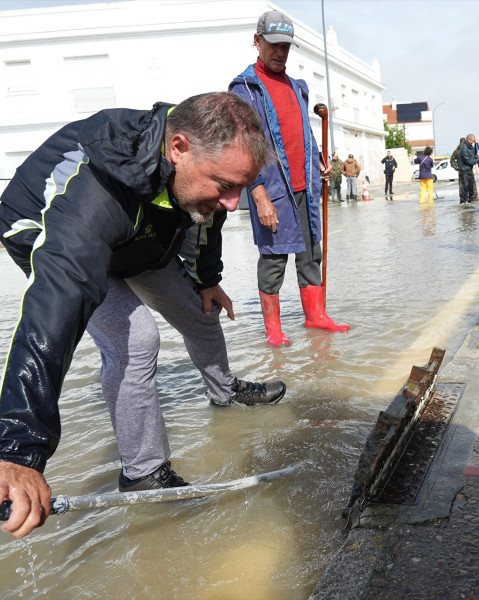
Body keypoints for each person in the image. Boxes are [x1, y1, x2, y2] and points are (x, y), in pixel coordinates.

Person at [0, 91, 288, 539]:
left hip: (141, 233)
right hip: (48, 229)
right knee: (136, 340)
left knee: (201, 309)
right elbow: (53, 312)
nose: (235, 202)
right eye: (224, 184)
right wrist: (18, 448)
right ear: (178, 149)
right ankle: (144, 472)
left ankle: (225, 391)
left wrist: (208, 277)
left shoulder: (203, 171)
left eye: (241, 185)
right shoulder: (92, 196)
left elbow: (206, 218)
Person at [229, 9, 349, 347]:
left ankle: (315, 316)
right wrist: (259, 195)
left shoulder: (298, 87)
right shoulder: (245, 89)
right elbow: (243, 149)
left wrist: (320, 161)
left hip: (305, 185)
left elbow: (303, 133)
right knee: (273, 256)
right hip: (272, 188)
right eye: (274, 45)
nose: (280, 52)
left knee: (312, 252)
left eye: (286, 46)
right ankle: (274, 330)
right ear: (257, 41)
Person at [458, 134, 478, 204]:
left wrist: (476, 144)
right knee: (465, 185)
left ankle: (471, 199)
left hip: (469, 168)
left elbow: (475, 152)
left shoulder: (471, 146)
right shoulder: (464, 148)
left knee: (471, 185)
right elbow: (467, 159)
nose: (473, 141)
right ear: (469, 140)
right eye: (473, 140)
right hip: (464, 168)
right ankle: (463, 200)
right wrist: (476, 161)